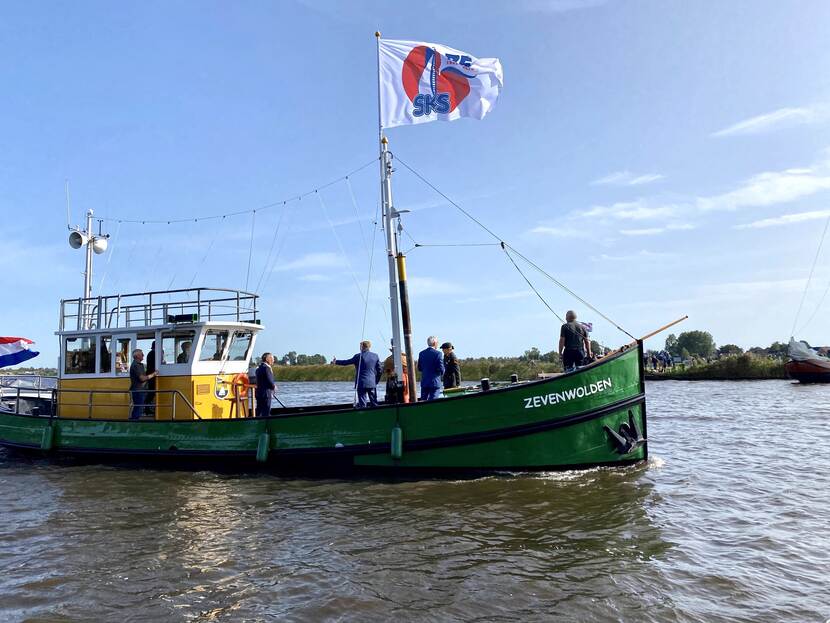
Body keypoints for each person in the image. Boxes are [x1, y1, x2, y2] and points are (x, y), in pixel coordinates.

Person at [332, 340, 383, 408]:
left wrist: (336, 362)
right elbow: (379, 370)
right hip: (372, 383)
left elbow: (347, 362)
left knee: (362, 404)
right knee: (374, 403)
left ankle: (363, 416)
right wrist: (376, 381)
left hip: (361, 383)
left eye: (360, 346)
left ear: (362, 347)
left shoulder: (358, 356)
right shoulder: (375, 356)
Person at [129, 349, 158, 420]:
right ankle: (134, 422)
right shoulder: (136, 365)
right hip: (138, 390)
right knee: (138, 407)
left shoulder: (138, 365)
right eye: (142, 354)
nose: (143, 355)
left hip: (139, 389)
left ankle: (134, 421)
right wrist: (153, 374)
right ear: (137, 356)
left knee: (139, 407)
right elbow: (142, 378)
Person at [418, 336, 445, 401]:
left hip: (424, 382)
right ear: (434, 343)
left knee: (423, 401)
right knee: (433, 402)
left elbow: (419, 368)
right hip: (434, 383)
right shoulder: (438, 354)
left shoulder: (421, 353)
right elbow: (441, 368)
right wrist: (442, 372)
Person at [255, 352, 276, 417]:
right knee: (266, 411)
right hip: (266, 393)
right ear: (267, 359)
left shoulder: (259, 368)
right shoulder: (266, 368)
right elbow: (269, 380)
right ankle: (266, 423)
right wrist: (274, 387)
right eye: (272, 358)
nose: (273, 360)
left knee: (259, 410)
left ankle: (258, 422)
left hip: (259, 393)